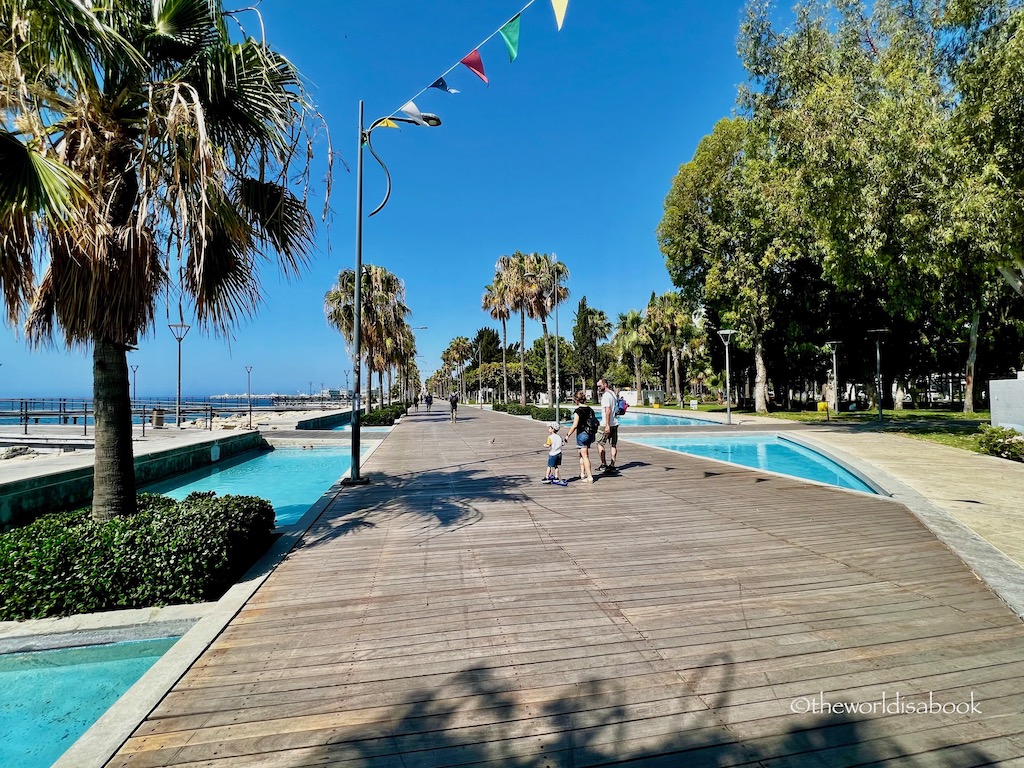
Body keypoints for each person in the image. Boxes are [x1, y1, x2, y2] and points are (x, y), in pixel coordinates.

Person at [564, 391, 596, 483]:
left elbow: (574, 425)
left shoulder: (577, 411)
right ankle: (582, 473)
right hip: (589, 434)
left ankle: (590, 477)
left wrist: (567, 435)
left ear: (576, 400)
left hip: (582, 434)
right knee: (581, 454)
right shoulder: (590, 409)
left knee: (585, 456)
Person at [596, 377, 619, 472]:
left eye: (599, 386)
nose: (598, 388)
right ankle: (612, 465)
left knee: (600, 443)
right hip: (615, 423)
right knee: (613, 444)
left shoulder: (606, 396)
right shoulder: (613, 394)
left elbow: (608, 410)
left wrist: (607, 425)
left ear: (605, 385)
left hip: (606, 424)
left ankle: (603, 464)